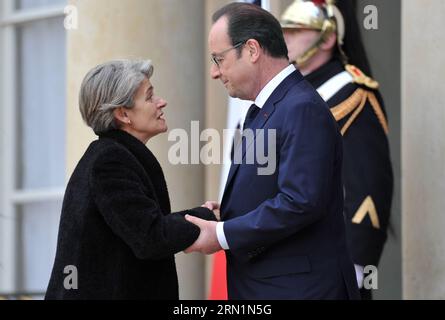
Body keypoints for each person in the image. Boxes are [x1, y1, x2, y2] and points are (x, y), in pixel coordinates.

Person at [184, 3, 360, 300]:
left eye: (219, 59)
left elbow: (300, 201)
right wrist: (227, 214)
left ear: (252, 50)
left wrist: (222, 234)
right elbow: (277, 189)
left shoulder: (300, 108)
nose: (215, 72)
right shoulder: (274, 106)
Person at [45, 59, 216, 300]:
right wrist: (205, 218)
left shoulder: (111, 155)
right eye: (149, 97)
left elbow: (144, 227)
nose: (161, 102)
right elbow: (150, 238)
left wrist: (198, 216)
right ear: (123, 114)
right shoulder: (111, 161)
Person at [280, 0, 393, 299]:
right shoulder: (293, 93)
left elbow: (367, 190)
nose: (285, 37)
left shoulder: (352, 96)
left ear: (327, 37)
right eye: (284, 30)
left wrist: (354, 272)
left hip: (331, 276)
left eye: (296, 29)